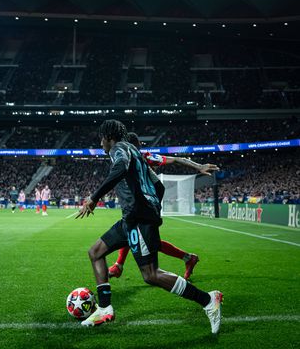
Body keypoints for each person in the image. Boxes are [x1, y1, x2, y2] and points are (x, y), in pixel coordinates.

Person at [76, 120, 222, 334]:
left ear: (108, 138)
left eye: (101, 139)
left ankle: (209, 300)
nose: (100, 143)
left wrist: (94, 198)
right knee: (95, 252)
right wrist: (152, 205)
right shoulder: (136, 154)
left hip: (139, 218)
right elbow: (158, 186)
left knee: (151, 275)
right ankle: (105, 308)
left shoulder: (119, 150)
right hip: (132, 218)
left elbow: (120, 168)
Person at [109, 132, 220, 280]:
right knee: (140, 235)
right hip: (143, 205)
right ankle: (188, 258)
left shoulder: (143, 157)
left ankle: (119, 266)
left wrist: (198, 166)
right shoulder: (127, 159)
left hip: (149, 206)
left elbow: (174, 159)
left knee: (139, 235)